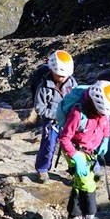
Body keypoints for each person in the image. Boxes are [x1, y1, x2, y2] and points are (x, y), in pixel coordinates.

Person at [58, 80, 110, 219]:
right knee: (88, 184)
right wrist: (76, 156)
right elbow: (64, 138)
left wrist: (105, 139)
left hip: (90, 149)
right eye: (101, 112)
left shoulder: (103, 110)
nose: (103, 115)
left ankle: (74, 215)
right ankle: (89, 217)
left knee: (80, 182)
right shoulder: (77, 114)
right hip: (76, 150)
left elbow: (106, 123)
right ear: (93, 104)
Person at [32, 50, 77, 182]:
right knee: (48, 146)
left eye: (65, 75)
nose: (64, 78)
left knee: (71, 146)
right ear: (52, 71)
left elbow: (77, 100)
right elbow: (39, 107)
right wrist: (55, 115)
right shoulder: (44, 86)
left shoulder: (72, 83)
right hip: (51, 123)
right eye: (60, 75)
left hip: (68, 121)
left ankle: (74, 170)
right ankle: (42, 170)